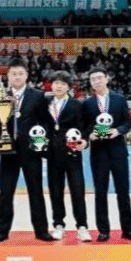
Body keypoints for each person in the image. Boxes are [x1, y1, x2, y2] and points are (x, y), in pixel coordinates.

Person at [0, 58, 54, 242]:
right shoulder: (1, 96)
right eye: (13, 74)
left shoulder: (38, 96)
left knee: (36, 190)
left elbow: (46, 122)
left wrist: (40, 138)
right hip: (8, 150)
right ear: (8, 76)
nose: (17, 77)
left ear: (26, 75)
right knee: (5, 192)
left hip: (31, 151)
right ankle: (2, 230)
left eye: (20, 73)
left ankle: (41, 230)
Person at [84, 66, 131, 242]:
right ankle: (103, 230)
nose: (97, 81)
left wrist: (118, 131)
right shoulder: (87, 103)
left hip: (118, 152)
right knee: (100, 193)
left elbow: (127, 123)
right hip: (98, 153)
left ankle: (127, 229)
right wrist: (89, 135)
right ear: (90, 83)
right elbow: (84, 127)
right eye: (93, 79)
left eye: (100, 78)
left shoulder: (119, 99)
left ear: (106, 79)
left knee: (123, 192)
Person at [45, 70, 91, 242]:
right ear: (51, 85)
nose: (59, 86)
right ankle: (58, 225)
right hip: (52, 153)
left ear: (68, 87)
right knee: (55, 191)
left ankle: (82, 226)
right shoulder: (45, 103)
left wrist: (84, 140)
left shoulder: (77, 105)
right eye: (56, 83)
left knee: (77, 190)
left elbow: (85, 127)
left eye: (63, 84)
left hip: (72, 153)